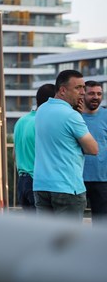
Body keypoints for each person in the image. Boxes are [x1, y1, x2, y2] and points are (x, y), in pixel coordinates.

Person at [33, 70, 99, 218]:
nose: (83, 92)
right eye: (78, 88)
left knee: (46, 238)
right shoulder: (71, 116)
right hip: (67, 187)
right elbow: (93, 149)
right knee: (69, 240)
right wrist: (79, 116)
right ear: (62, 90)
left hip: (41, 185)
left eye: (83, 87)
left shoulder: (42, 110)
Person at [12, 84, 57, 211]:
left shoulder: (21, 121)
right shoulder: (43, 122)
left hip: (22, 182)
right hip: (37, 182)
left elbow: (14, 155)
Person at [81, 80, 107, 222]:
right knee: (73, 224)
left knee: (102, 225)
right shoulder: (74, 116)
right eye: (91, 93)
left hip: (103, 180)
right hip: (77, 179)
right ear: (83, 94)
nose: (95, 97)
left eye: (99, 93)